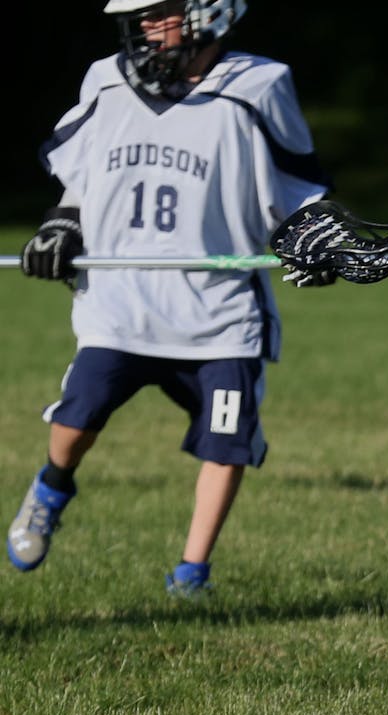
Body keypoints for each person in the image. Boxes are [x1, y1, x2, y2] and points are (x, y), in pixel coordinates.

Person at [8, 0, 332, 595]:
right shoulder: (106, 79)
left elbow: (299, 192)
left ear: (209, 12)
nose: (147, 27)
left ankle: (191, 574)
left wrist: (319, 239)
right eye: (141, 16)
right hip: (121, 303)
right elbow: (82, 175)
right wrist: (61, 226)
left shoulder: (259, 85)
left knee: (228, 442)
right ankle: (52, 486)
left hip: (221, 313)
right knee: (79, 417)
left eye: (161, 12)